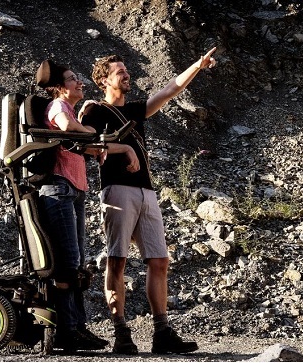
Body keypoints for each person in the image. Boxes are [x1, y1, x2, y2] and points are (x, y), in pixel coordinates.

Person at [81, 47, 217, 354]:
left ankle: (162, 332)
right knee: (117, 261)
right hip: (116, 189)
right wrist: (120, 150)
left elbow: (171, 89)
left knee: (159, 261)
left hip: (147, 192)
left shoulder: (136, 110)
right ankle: (121, 334)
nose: (127, 75)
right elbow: (84, 144)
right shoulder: (95, 111)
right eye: (120, 72)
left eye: (127, 70)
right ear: (104, 80)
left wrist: (196, 65)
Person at [35, 59, 108, 353]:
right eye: (72, 78)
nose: (79, 82)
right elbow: (68, 128)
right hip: (59, 187)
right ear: (59, 87)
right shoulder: (59, 107)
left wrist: (93, 147)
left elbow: (74, 141)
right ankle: (67, 331)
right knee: (68, 263)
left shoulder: (69, 108)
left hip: (74, 190)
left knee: (77, 263)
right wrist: (89, 130)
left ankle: (78, 327)